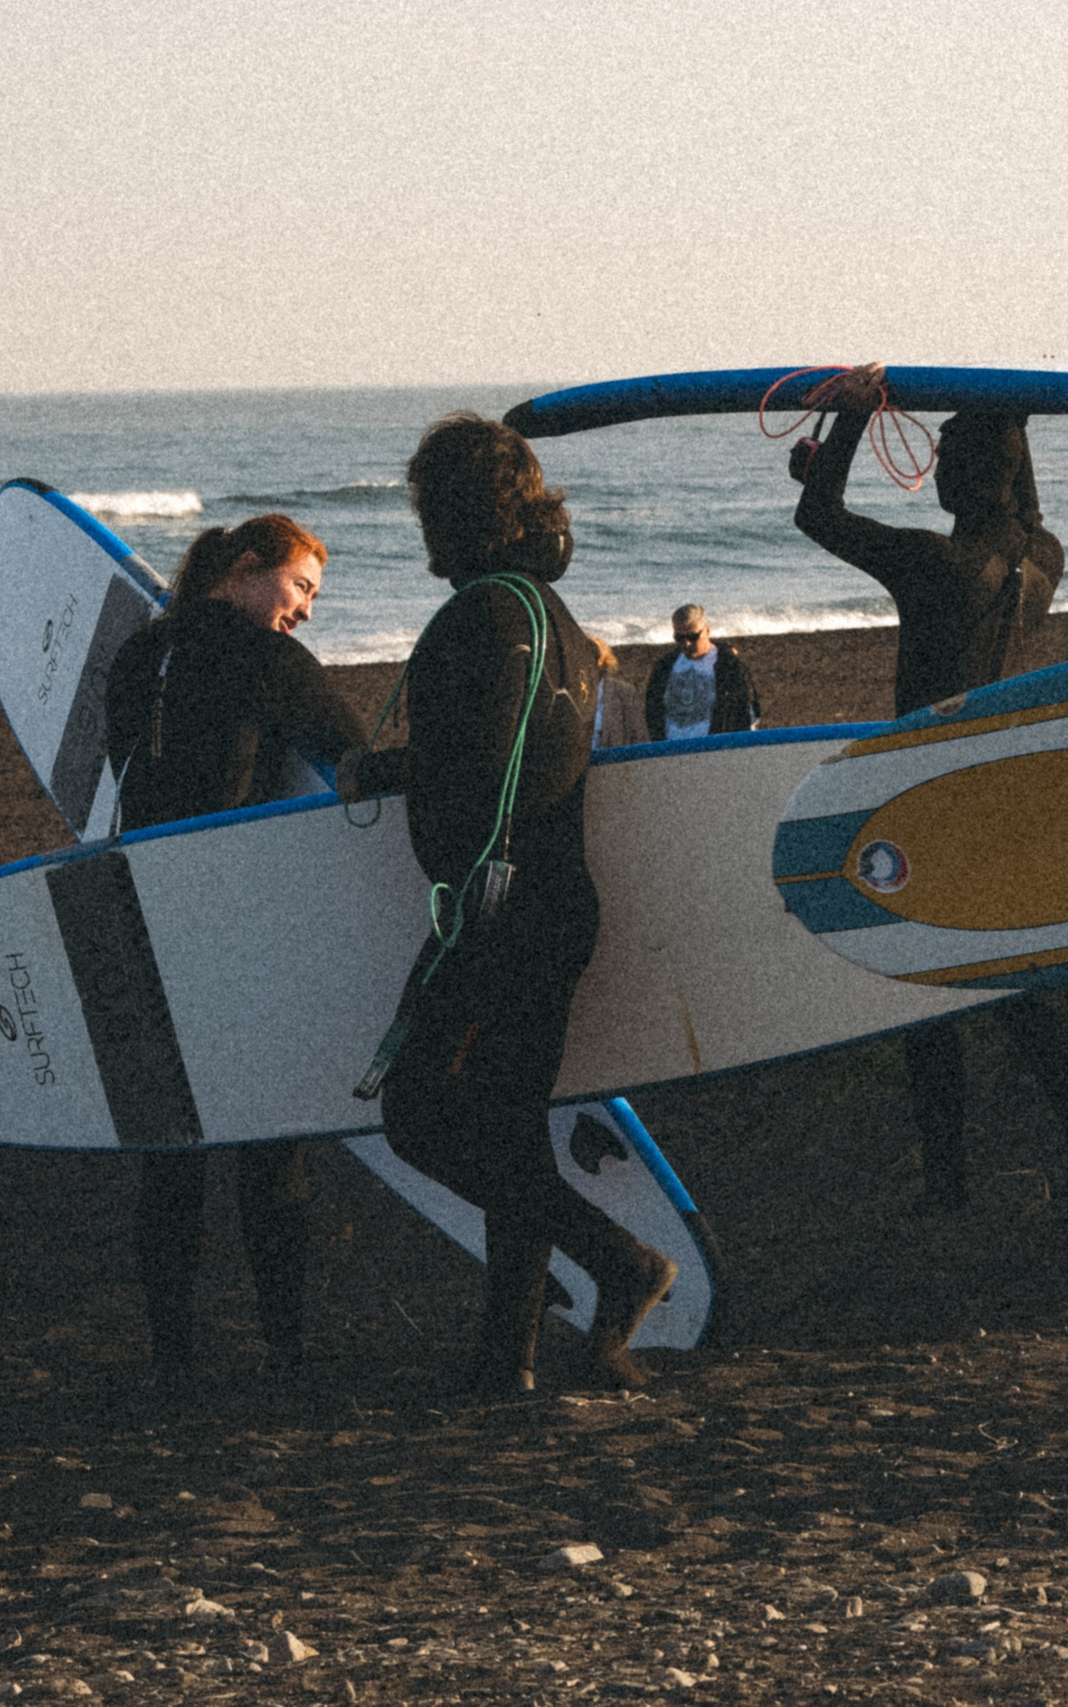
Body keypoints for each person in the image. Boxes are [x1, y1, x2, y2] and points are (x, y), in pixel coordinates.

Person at [348, 413, 677, 1392]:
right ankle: (508, 1359)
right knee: (507, 1128)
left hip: (503, 912)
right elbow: (527, 760)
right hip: (555, 904)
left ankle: (620, 1261)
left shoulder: (482, 616)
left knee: (417, 1116)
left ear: (446, 512)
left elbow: (484, 777)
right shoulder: (563, 627)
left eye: (422, 506)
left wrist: (396, 782)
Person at [794, 366, 1068, 1212]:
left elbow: (816, 518)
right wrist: (1009, 408)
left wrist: (851, 423)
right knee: (1017, 983)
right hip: (1000, 786)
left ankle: (946, 1183)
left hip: (927, 793)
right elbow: (1029, 511)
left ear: (967, 476)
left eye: (943, 458)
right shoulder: (1041, 559)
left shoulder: (932, 563)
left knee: (924, 989)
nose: (932, 471)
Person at [101, 512, 368, 1381]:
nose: (306, 611)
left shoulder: (141, 656)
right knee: (269, 1144)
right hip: (234, 922)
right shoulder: (269, 659)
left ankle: (173, 1353)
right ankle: (286, 1346)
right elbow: (350, 753)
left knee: (172, 1153)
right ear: (248, 568)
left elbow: (125, 768)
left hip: (142, 913)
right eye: (300, 587)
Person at [644, 604, 761, 739]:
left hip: (714, 750)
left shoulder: (730, 667)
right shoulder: (664, 667)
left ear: (707, 631)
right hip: (671, 751)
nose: (687, 643)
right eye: (680, 638)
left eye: (693, 637)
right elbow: (652, 712)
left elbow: (749, 713)